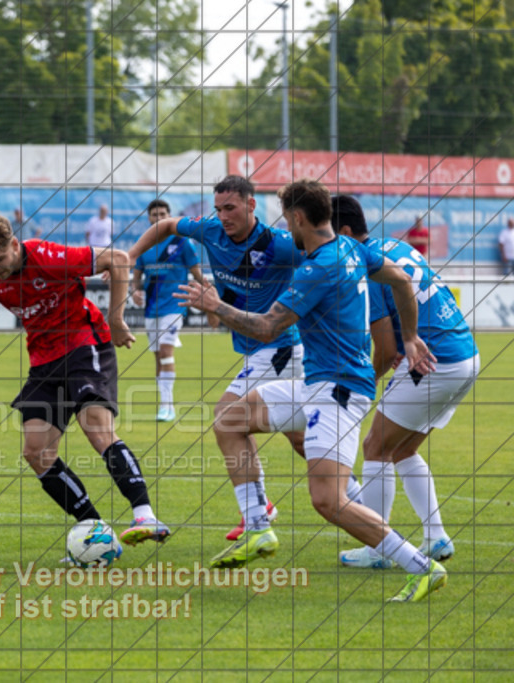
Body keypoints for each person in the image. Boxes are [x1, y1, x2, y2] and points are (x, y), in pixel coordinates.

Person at [179, 179, 447, 603]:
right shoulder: (351, 249)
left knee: (328, 500)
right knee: (229, 418)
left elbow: (266, 326)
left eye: (287, 218)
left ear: (298, 218)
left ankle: (421, 566)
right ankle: (257, 524)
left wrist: (215, 307)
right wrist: (409, 336)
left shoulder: (316, 267)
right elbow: (399, 279)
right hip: (317, 387)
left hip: (337, 394)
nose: (286, 226)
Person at [128, 176, 363, 543]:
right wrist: (129, 257)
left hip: (281, 347)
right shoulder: (210, 231)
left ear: (252, 205)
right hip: (256, 350)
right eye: (218, 209)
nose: (223, 216)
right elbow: (166, 225)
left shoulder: (282, 246)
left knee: (228, 417)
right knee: (301, 440)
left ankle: (258, 515)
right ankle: (352, 503)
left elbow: (331, 263)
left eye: (231, 208)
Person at [0, 213, 170, 553]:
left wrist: (116, 318)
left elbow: (117, 259)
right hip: (44, 361)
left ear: (14, 245)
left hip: (86, 344)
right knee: (36, 451)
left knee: (97, 429)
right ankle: (96, 531)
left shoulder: (47, 255)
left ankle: (144, 515)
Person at [331, 195, 478, 569]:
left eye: (327, 234)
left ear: (345, 233)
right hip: (464, 354)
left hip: (432, 360)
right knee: (402, 450)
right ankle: (436, 537)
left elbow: (383, 350)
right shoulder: (394, 246)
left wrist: (358, 387)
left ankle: (378, 547)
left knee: (375, 446)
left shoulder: (368, 267)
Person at [130, 198, 208, 422]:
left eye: (163, 214)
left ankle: (168, 406)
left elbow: (197, 273)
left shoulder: (182, 243)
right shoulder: (144, 245)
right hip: (152, 309)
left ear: (169, 216)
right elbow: (136, 276)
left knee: (166, 351)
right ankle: (163, 404)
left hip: (175, 306)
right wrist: (135, 291)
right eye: (155, 215)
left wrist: (211, 293)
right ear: (149, 218)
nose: (159, 218)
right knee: (158, 357)